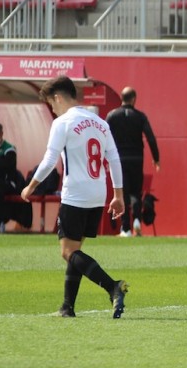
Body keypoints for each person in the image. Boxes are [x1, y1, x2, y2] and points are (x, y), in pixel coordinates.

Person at [20, 76, 128, 319]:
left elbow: (49, 160)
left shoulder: (63, 123)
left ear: (58, 97)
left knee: (67, 252)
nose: (53, 109)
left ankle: (113, 286)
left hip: (75, 193)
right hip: (97, 194)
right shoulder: (101, 123)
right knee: (76, 250)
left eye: (51, 103)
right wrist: (118, 195)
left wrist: (30, 186)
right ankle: (67, 307)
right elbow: (114, 159)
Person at [105, 86, 160, 238]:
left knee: (122, 194)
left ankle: (126, 229)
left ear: (122, 98)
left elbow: (104, 136)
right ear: (134, 99)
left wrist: (105, 157)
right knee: (136, 192)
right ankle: (136, 220)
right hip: (137, 159)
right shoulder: (140, 116)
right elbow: (150, 137)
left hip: (119, 159)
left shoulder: (112, 115)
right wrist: (156, 158)